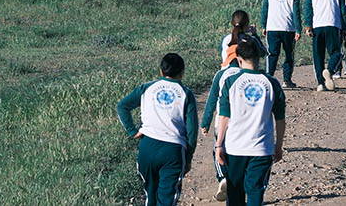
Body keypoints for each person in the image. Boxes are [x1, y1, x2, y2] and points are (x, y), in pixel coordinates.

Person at [117, 53, 199, 206]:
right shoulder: (186, 94)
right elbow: (192, 133)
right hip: (172, 150)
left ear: (161, 71)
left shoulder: (147, 88)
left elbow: (122, 106)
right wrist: (188, 158)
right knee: (167, 198)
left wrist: (132, 131)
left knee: (151, 195)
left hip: (147, 147)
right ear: (182, 72)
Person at [215, 35, 286, 206]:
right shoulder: (272, 83)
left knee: (235, 193)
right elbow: (280, 120)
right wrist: (278, 146)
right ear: (258, 58)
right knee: (255, 192)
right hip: (262, 149)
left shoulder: (231, 82)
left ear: (239, 59)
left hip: (235, 148)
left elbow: (224, 116)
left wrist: (219, 145)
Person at [201, 52, 244, 201]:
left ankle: (223, 177)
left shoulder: (221, 75)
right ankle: (239, 183)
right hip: (242, 120)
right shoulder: (249, 74)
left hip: (222, 119)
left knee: (218, 149)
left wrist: (205, 122)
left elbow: (212, 100)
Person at [304, 0, 346, 91]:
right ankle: (330, 70)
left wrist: (308, 26)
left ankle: (320, 84)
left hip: (317, 25)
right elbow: (343, 10)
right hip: (333, 24)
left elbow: (308, 9)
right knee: (336, 52)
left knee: (318, 55)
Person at [260, 0, 301, 88]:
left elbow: (265, 10)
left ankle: (269, 78)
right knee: (289, 54)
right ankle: (287, 80)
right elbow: (296, 13)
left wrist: (264, 25)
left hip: (272, 27)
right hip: (288, 28)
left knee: (272, 54)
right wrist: (298, 29)